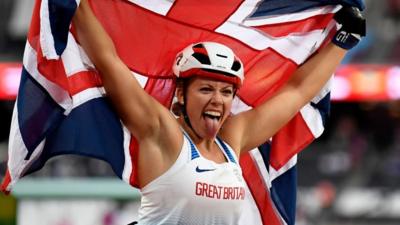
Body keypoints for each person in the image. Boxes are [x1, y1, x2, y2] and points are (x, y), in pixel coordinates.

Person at [73, 1, 365, 224]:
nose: (217, 100)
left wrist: (343, 42)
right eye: (205, 89)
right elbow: (107, 60)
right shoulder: (162, 133)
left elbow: (297, 93)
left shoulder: (232, 141)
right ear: (181, 93)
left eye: (226, 92)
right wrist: (75, 7)